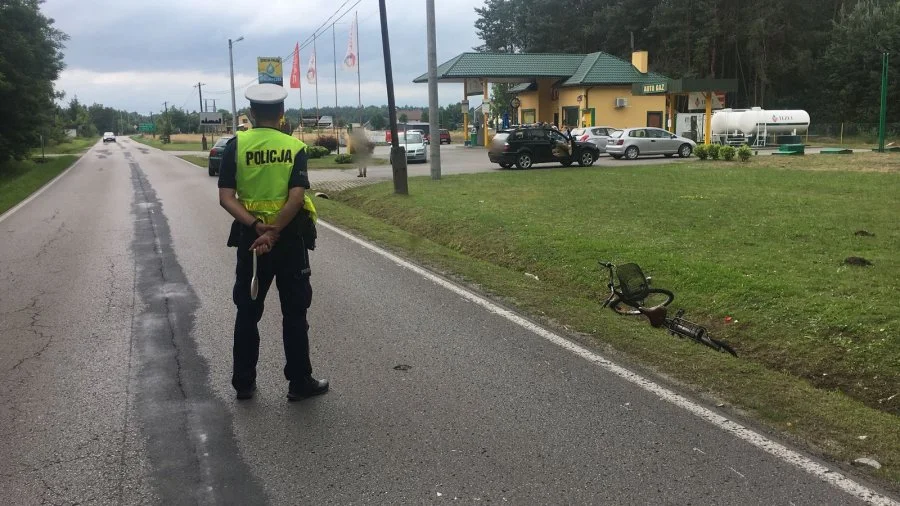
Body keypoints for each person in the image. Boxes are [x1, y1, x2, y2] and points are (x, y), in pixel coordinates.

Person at [217, 83, 328, 401]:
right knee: (294, 313)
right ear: (281, 114)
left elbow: (226, 197)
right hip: (289, 240)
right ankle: (298, 383)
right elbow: (296, 197)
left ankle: (243, 384)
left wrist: (257, 227)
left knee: (247, 312)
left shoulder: (235, 146)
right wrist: (276, 230)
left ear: (251, 114)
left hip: (250, 243)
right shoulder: (294, 148)